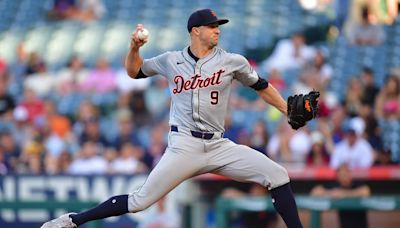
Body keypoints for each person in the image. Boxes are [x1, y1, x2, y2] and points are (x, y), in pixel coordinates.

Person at [41, 9, 306, 228]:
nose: (218, 30)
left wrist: (286, 110)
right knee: (139, 201)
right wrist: (134, 48)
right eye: (212, 26)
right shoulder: (171, 60)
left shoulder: (232, 61)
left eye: (218, 26)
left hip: (218, 145)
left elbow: (261, 85)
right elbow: (134, 72)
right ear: (195, 31)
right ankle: (73, 221)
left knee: (277, 174)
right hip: (184, 146)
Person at [310, 164, 371, 228]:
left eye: (346, 173)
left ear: (350, 174)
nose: (344, 176)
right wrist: (332, 193)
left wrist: (344, 194)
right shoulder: (335, 186)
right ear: (337, 176)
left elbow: (366, 192)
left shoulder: (356, 184)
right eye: (342, 174)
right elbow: (315, 192)